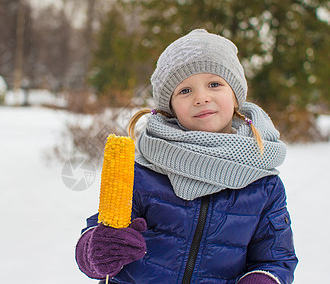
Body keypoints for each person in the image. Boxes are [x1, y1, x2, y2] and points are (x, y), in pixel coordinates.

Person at [75, 29, 298, 283]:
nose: (202, 97)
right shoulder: (145, 170)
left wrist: (263, 279)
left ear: (235, 95)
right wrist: (96, 251)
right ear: (169, 108)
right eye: (185, 91)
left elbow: (275, 260)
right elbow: (97, 235)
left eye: (215, 84)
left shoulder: (263, 184)